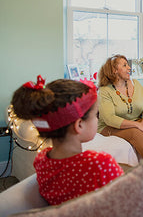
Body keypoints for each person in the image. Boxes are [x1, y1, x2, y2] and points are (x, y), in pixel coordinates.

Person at [10, 76, 123, 205]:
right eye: (95, 115)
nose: (97, 120)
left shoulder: (41, 160)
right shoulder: (101, 164)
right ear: (79, 124)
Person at [97, 54, 143, 185]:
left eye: (128, 64)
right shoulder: (105, 91)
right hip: (110, 127)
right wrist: (137, 126)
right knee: (135, 133)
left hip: (137, 121)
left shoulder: (136, 84)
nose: (129, 68)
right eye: (124, 65)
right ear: (114, 70)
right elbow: (109, 119)